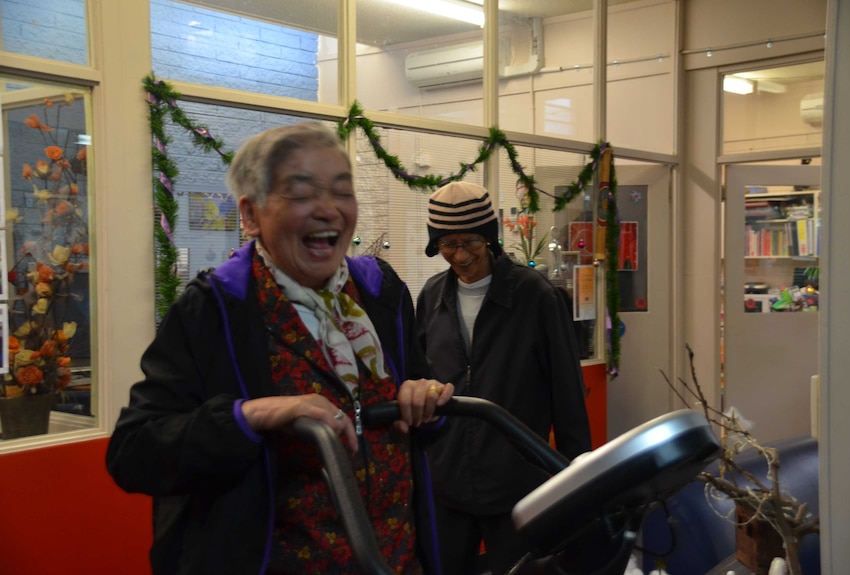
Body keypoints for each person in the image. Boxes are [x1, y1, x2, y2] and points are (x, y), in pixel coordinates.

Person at [106, 122, 454, 575]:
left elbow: (414, 412)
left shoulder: (380, 292)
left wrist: (424, 399)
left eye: (341, 191)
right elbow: (135, 451)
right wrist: (253, 415)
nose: (328, 210)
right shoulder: (216, 308)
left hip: (397, 562)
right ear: (250, 215)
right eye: (301, 192)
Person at [416, 181, 592, 575]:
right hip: (447, 485)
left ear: (490, 238)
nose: (460, 256)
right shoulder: (431, 297)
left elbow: (567, 396)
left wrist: (577, 485)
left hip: (518, 485)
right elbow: (419, 380)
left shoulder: (536, 297)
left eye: (471, 243)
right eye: (448, 245)